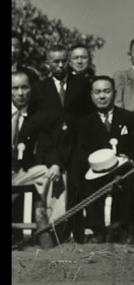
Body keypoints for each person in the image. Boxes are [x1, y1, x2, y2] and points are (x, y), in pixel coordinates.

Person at [75, 76, 134, 243]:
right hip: (95, 173)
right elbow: (80, 151)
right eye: (97, 92)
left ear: (114, 94)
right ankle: (97, 232)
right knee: (86, 183)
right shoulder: (83, 123)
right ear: (91, 95)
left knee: (131, 181)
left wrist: (129, 158)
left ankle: (124, 231)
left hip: (124, 171)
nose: (102, 96)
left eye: (106, 91)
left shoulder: (130, 118)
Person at [34, 44, 93, 242]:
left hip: (76, 146)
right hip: (51, 146)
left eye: (63, 61)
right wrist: (52, 157)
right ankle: (55, 235)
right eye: (55, 62)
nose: (60, 65)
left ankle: (77, 237)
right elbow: (40, 125)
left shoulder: (82, 84)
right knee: (54, 191)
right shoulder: (40, 88)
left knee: (76, 189)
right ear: (47, 63)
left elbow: (87, 117)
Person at [11, 71, 59, 248]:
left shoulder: (37, 116)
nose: (21, 93)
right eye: (15, 88)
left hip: (21, 172)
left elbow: (48, 145)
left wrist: (55, 164)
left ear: (31, 89)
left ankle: (44, 228)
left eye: (24, 87)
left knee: (47, 173)